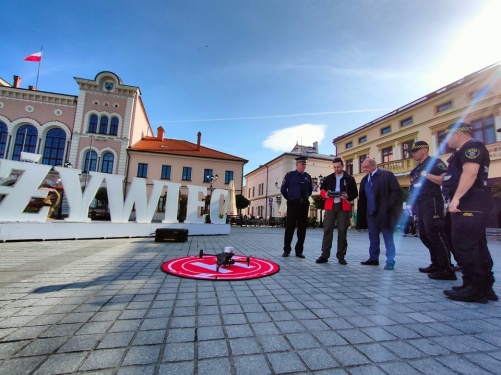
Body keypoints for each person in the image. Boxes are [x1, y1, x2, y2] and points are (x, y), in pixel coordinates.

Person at [441, 122, 497, 303]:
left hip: (469, 201)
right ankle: (484, 286)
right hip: (472, 201)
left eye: (448, 135)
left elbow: (470, 173)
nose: (446, 140)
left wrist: (456, 198)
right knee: (477, 245)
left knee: (465, 245)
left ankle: (474, 288)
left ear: (457, 133)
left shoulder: (472, 147)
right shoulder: (462, 152)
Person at [407, 141, 455, 280]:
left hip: (432, 202)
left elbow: (444, 179)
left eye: (415, 151)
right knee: (424, 235)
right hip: (421, 204)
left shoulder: (434, 162)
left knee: (436, 234)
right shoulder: (418, 167)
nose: (413, 154)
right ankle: (436, 264)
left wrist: (427, 174)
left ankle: (447, 268)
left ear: (425, 150)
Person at [357, 158, 401, 270]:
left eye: (365, 167)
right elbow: (362, 197)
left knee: (388, 237)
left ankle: (390, 261)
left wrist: (388, 205)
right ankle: (373, 258)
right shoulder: (364, 179)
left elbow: (396, 191)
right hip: (370, 213)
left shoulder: (387, 175)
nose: (363, 169)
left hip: (384, 213)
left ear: (373, 166)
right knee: (373, 237)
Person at [316, 157, 358, 265]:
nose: (336, 169)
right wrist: (324, 194)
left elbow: (355, 193)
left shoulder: (349, 178)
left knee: (342, 231)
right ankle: (324, 255)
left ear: (342, 166)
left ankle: (341, 256)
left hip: (343, 206)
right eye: (334, 167)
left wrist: (347, 196)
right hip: (330, 205)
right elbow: (322, 190)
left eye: (338, 167)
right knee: (327, 229)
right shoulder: (328, 178)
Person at [280, 156, 313, 258]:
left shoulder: (308, 176)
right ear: (297, 164)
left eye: (305, 164)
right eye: (302, 164)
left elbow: (310, 190)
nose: (304, 166)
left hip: (304, 204)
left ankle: (299, 251)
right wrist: (290, 198)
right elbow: (283, 189)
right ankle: (286, 250)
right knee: (290, 227)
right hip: (293, 204)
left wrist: (305, 198)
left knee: (302, 229)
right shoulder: (290, 175)